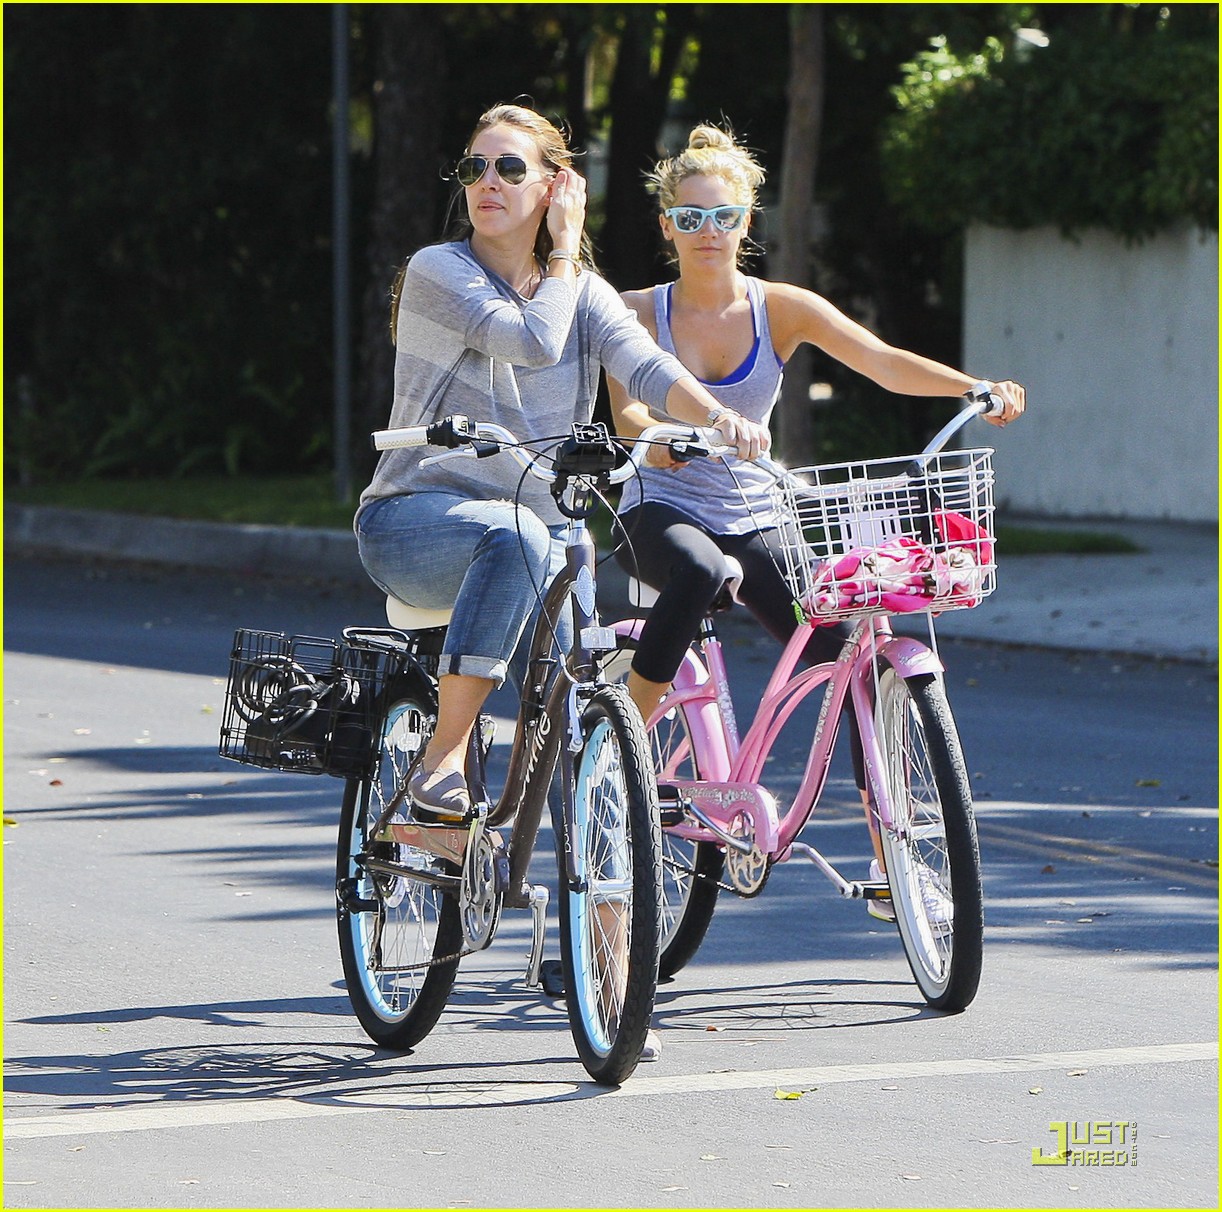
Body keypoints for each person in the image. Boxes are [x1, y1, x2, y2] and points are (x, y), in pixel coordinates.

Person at [607, 124, 1026, 920]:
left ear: (746, 222)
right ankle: (622, 747)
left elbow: (881, 359)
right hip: (661, 510)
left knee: (856, 659)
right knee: (698, 574)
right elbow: (626, 411)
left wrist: (974, 387)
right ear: (666, 225)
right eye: (690, 219)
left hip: (757, 511)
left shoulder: (781, 309)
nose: (708, 233)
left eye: (722, 217)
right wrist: (657, 444)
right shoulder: (634, 313)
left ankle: (890, 858)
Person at [356, 105, 769, 829]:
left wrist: (716, 416)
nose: (487, 182)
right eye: (473, 169)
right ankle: (442, 761)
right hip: (413, 521)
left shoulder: (581, 295)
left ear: (553, 185)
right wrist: (569, 245)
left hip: (546, 539)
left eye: (511, 168)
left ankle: (608, 931)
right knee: (518, 535)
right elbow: (533, 342)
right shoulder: (438, 270)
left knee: (583, 728)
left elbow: (646, 366)